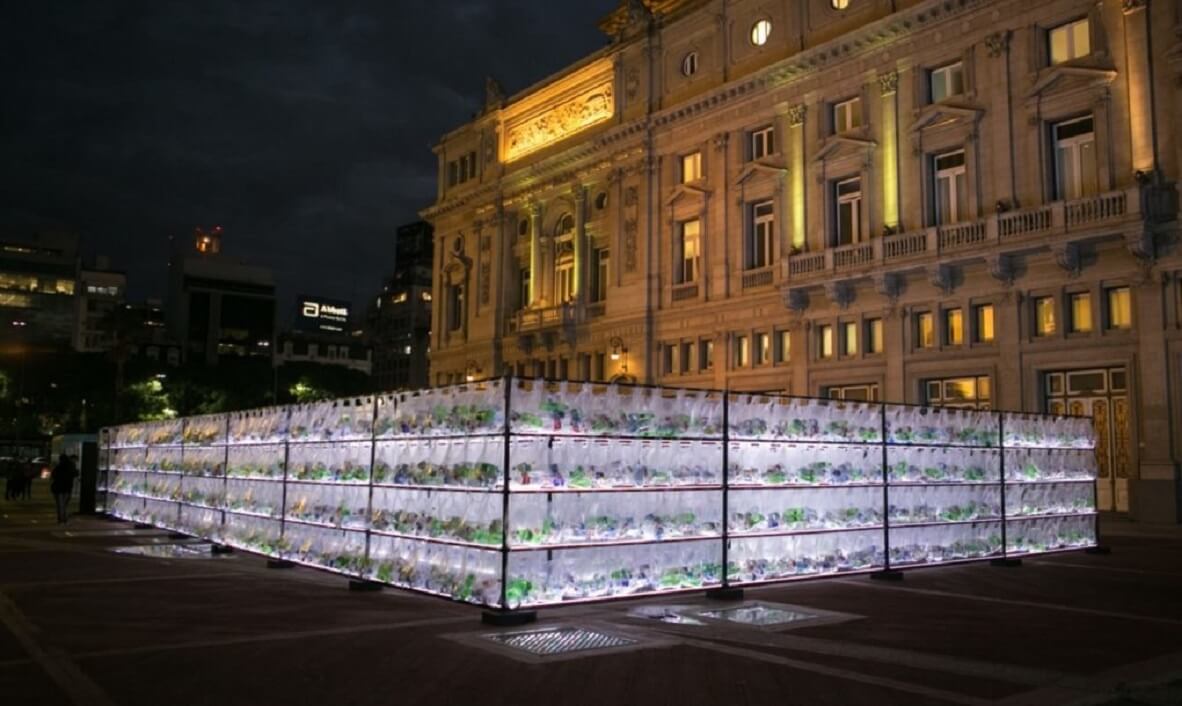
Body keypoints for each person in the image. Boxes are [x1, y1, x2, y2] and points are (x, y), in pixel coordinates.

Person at [50, 454, 78, 524]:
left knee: (60, 504)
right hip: (67, 488)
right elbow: (75, 474)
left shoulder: (58, 467)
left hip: (58, 488)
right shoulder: (71, 467)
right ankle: (64, 518)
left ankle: (61, 518)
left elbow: (53, 476)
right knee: (64, 504)